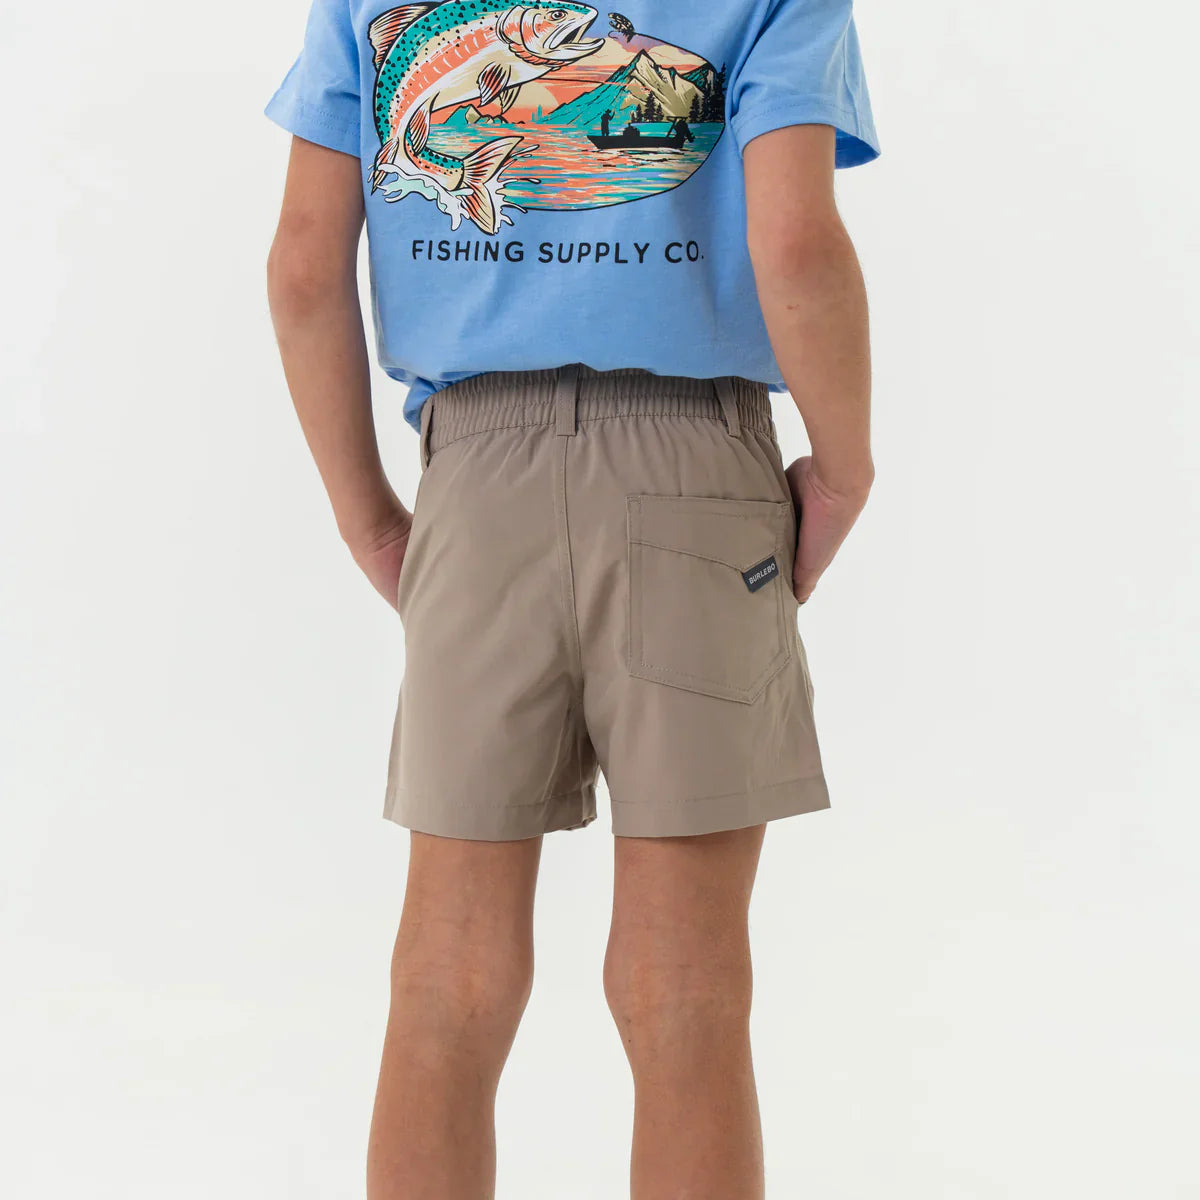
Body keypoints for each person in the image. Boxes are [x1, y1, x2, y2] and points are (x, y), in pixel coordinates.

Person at [265, 2, 879, 1197]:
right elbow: (798, 242)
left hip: (475, 473)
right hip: (697, 470)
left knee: (446, 980)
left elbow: (300, 264)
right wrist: (844, 468)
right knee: (687, 986)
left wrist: (368, 512)